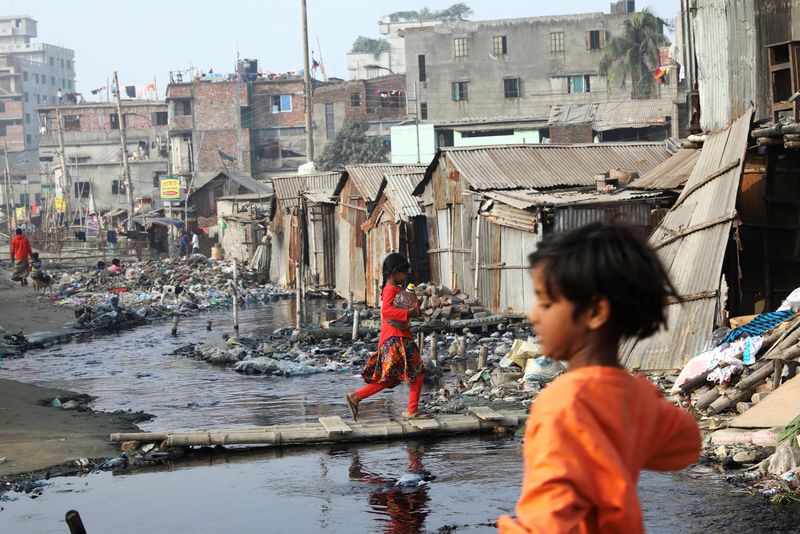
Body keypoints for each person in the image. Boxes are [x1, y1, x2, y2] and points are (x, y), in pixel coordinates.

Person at [497, 222, 701, 534]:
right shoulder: (638, 396)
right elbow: (686, 446)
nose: (533, 314)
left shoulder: (561, 404)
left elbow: (549, 523)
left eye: (546, 302)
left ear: (595, 312)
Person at [346, 253, 431, 421]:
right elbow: (387, 311)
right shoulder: (391, 289)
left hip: (395, 338)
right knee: (417, 373)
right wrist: (408, 312)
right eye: (405, 272)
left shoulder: (395, 289)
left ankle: (356, 397)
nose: (407, 276)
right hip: (397, 339)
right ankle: (412, 411)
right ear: (395, 272)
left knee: (391, 378)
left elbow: (401, 310)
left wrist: (415, 310)